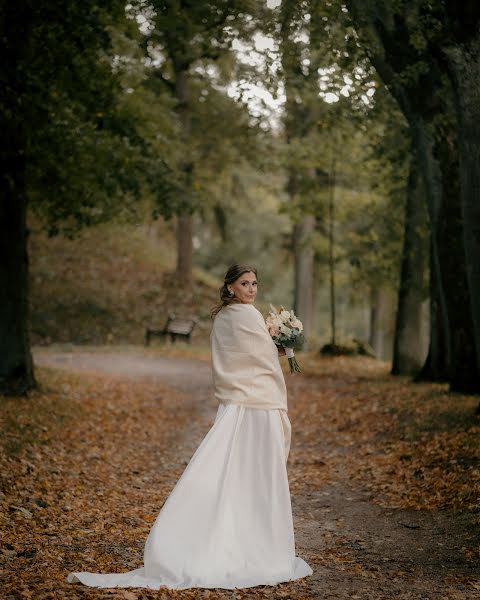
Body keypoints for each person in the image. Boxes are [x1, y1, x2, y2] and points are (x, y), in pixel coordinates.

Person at [67, 263, 313, 590]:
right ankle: (207, 537)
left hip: (259, 401)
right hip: (248, 403)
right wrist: (276, 347)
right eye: (244, 283)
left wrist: (281, 345)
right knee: (230, 466)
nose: (252, 289)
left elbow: (260, 355)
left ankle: (252, 536)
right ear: (230, 288)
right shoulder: (235, 318)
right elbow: (251, 355)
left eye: (254, 283)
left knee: (255, 471)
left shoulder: (247, 316)